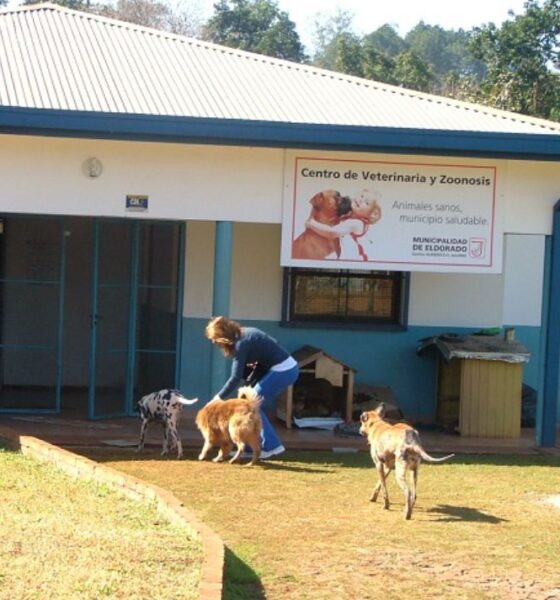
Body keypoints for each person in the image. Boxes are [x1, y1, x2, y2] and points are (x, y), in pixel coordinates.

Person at [205, 316, 299, 458]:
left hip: (283, 370)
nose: (213, 342)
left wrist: (217, 398)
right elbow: (259, 361)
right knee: (250, 404)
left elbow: (235, 377)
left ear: (224, 335)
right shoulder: (245, 333)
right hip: (283, 368)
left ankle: (271, 447)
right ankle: (254, 445)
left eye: (215, 338)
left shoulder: (241, 343)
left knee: (250, 405)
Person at [305, 189, 382, 261]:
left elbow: (332, 232)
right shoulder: (350, 214)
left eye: (366, 203)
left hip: (356, 261)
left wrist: (312, 223)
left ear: (371, 214)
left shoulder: (356, 224)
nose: (361, 200)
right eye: (362, 196)